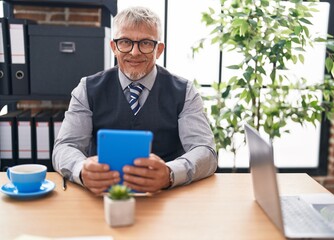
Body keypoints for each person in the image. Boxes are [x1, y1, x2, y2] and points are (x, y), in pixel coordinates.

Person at [52, 6, 218, 195]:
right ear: (114, 47)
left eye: (146, 43)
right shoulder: (87, 88)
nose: (134, 52)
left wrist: (170, 173)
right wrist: (81, 170)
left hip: (166, 197)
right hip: (102, 197)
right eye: (125, 42)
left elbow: (205, 151)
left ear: (159, 49)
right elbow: (65, 147)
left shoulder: (185, 91)